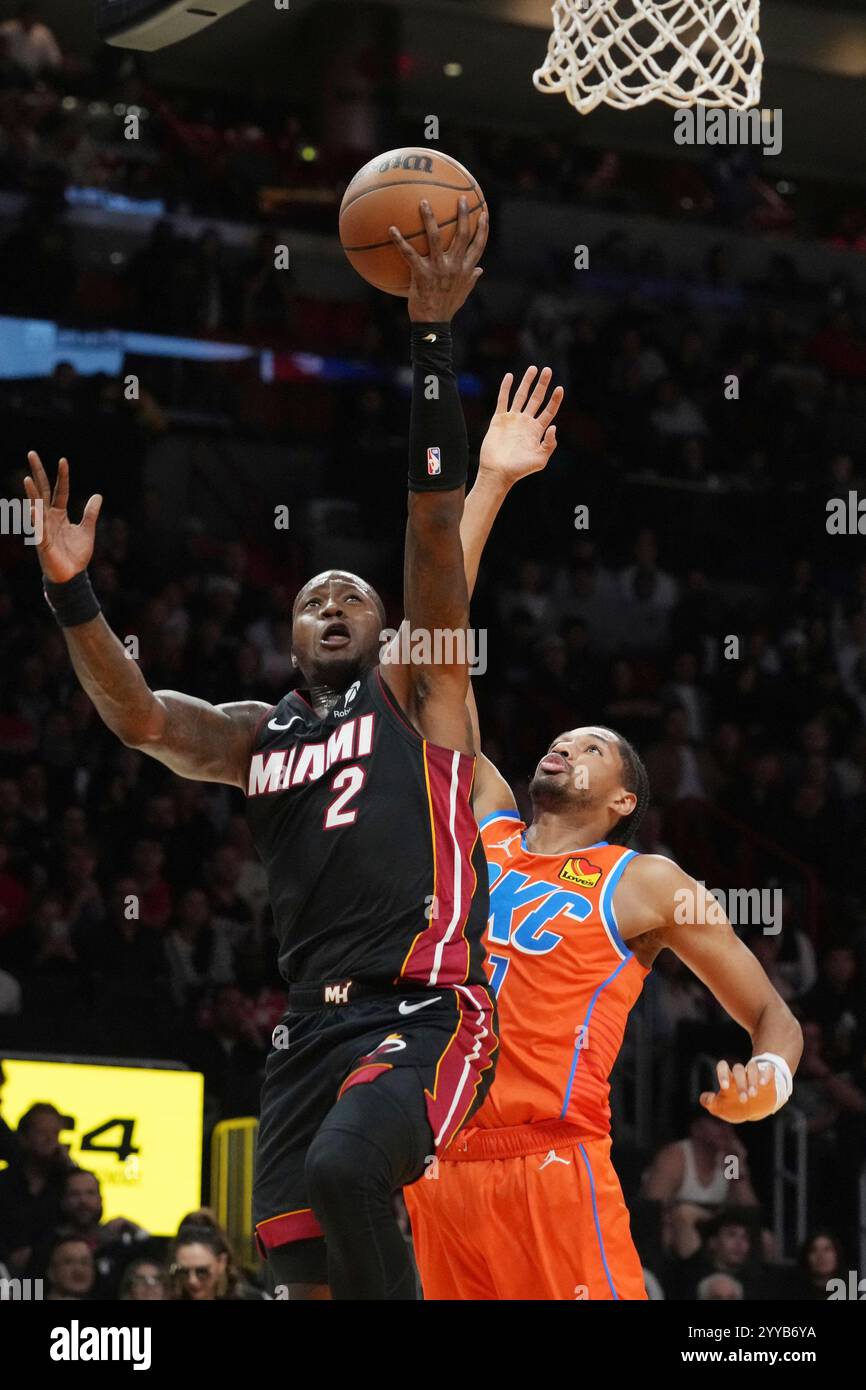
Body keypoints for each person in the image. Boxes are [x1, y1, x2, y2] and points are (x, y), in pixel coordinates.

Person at [22, 198, 496, 1302]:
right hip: (304, 1025)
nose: (331, 600)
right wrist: (70, 589)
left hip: (421, 1009)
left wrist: (430, 342)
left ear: (390, 631)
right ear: (286, 633)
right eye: (312, 595)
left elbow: (432, 526)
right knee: (296, 1267)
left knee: (345, 1169)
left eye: (353, 596)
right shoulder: (257, 731)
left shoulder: (423, 698)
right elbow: (138, 716)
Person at [404, 408, 803, 1301]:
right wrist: (493, 482)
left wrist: (768, 1085)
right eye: (561, 737)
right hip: (436, 1162)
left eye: (591, 746)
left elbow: (775, 1019)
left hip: (552, 1159)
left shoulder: (645, 880)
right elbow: (434, 655)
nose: (564, 746)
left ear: (624, 800)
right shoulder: (486, 826)